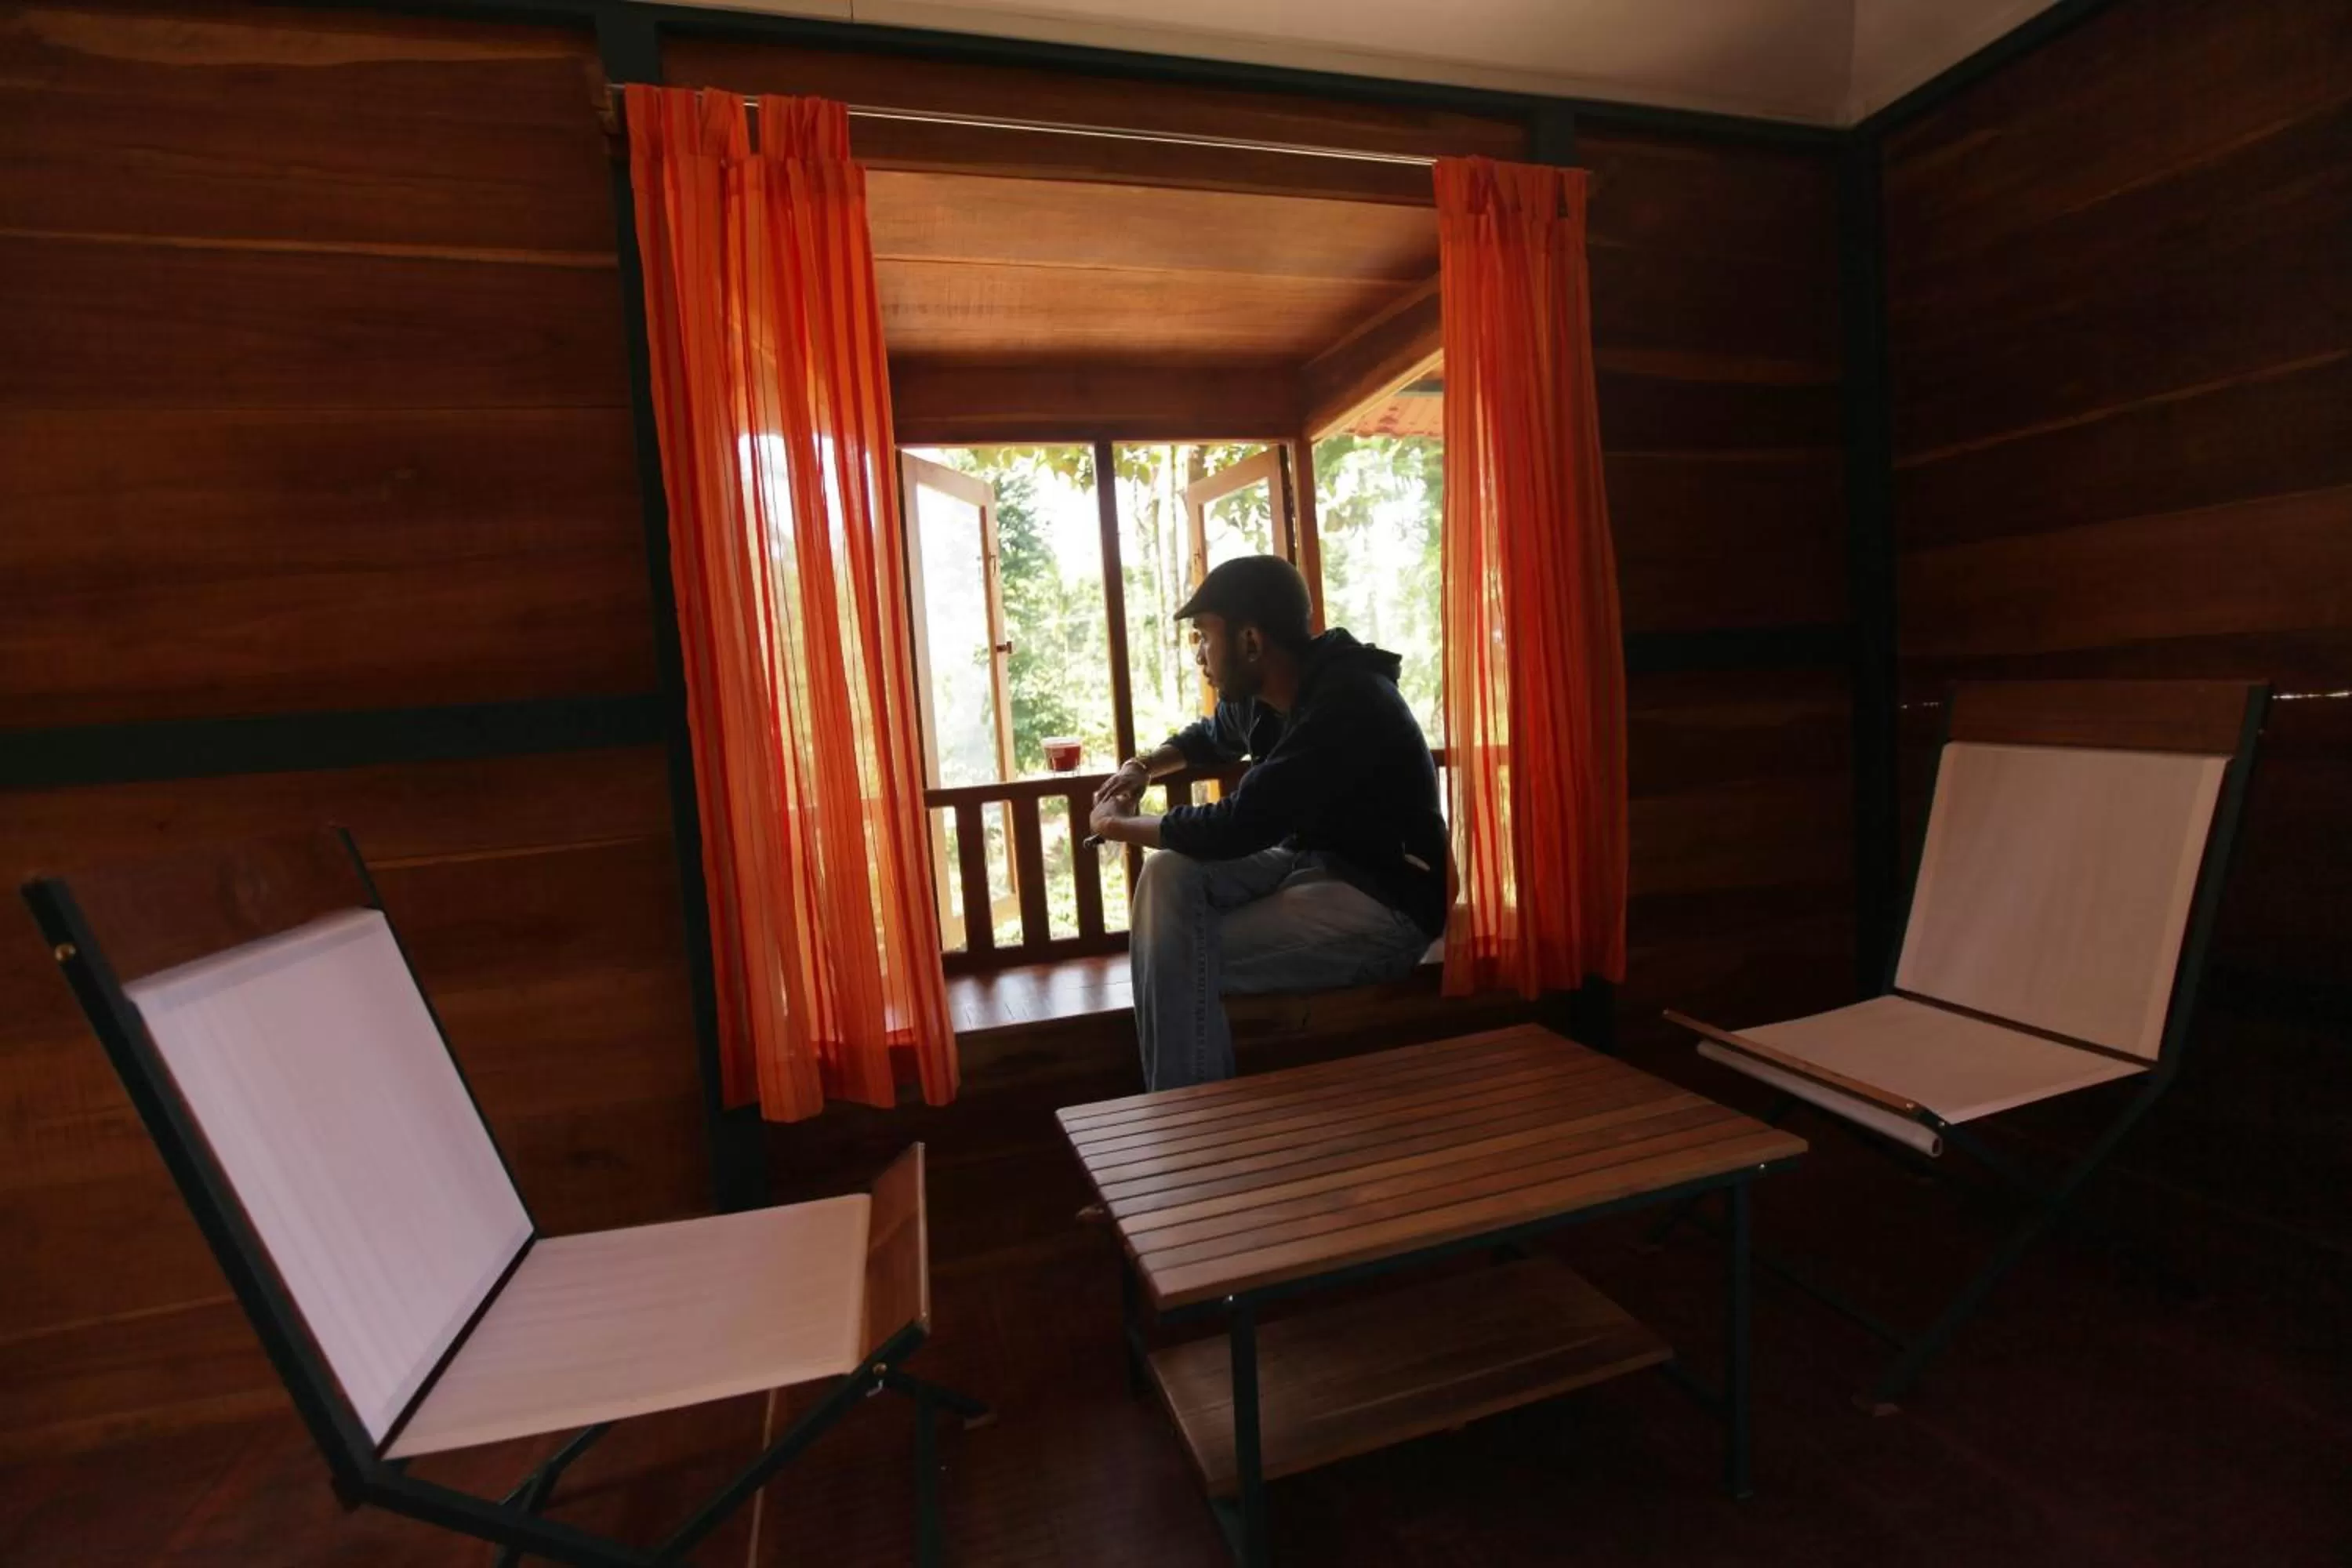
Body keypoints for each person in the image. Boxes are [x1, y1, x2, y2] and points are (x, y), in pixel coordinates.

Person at [1088, 554, 1446, 1091]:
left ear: (1251, 641)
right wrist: (1141, 769)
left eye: (1205, 638)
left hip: (1383, 901)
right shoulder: (1268, 695)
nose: (1199, 656)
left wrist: (1116, 827)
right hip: (1310, 865)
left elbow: (1237, 825)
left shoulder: (1347, 702)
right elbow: (1209, 737)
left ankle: (1192, 1121)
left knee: (1177, 951)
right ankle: (1190, 1108)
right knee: (1167, 872)